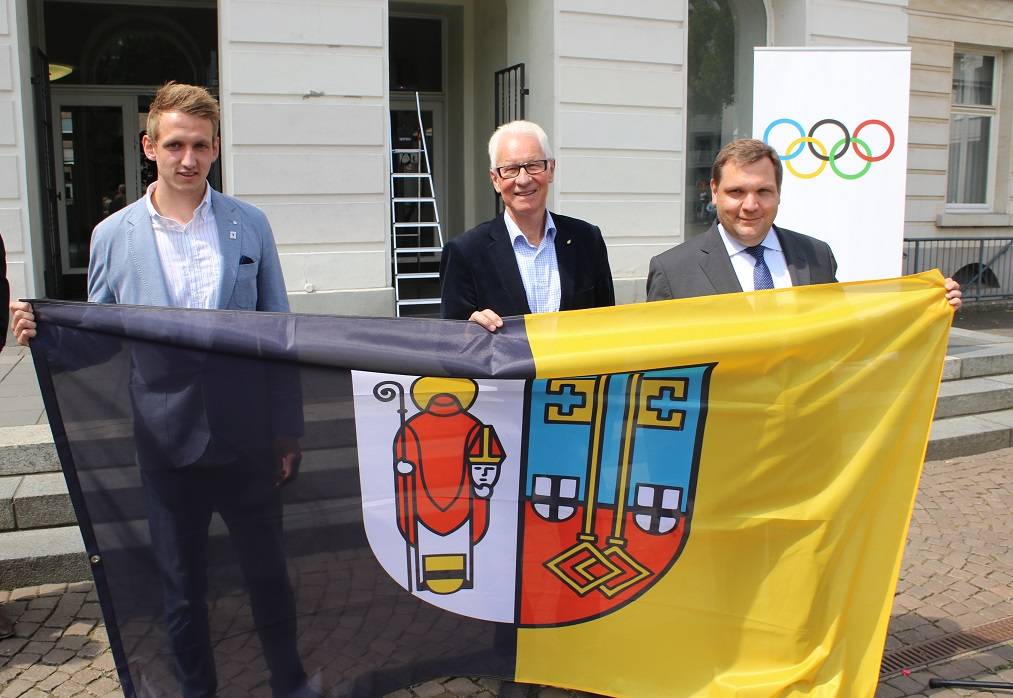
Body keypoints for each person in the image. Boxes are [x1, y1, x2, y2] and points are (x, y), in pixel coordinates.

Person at [10, 82, 308, 697]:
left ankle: (290, 683)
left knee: (270, 581)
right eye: (174, 144)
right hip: (166, 445)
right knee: (181, 594)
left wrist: (288, 430)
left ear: (216, 148)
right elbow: (100, 335)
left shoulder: (249, 225)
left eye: (200, 145)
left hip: (249, 440)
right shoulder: (112, 236)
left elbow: (278, 332)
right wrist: (45, 334)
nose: (188, 158)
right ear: (150, 146)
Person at [647, 138, 962, 309]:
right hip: (721, 425)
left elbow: (841, 330)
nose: (751, 205)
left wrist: (931, 304)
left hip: (803, 422)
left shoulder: (815, 255)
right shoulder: (674, 271)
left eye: (763, 191)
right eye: (736, 192)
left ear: (779, 193)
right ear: (714, 192)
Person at [440, 120, 615, 331]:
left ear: (550, 170)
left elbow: (606, 326)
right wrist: (469, 329)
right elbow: (453, 342)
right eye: (511, 169)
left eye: (533, 165)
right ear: (495, 179)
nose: (523, 180)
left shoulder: (587, 239)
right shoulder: (465, 252)